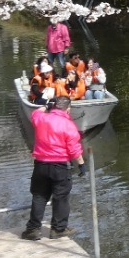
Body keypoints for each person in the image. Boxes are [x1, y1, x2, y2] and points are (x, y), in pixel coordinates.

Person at [21, 95, 86, 240]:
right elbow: (74, 148)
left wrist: (46, 106)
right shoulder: (68, 125)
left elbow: (35, 113)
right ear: (68, 109)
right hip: (60, 166)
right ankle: (58, 229)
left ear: (54, 106)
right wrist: (81, 164)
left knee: (39, 196)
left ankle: (32, 230)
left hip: (41, 165)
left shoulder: (41, 118)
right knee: (61, 198)